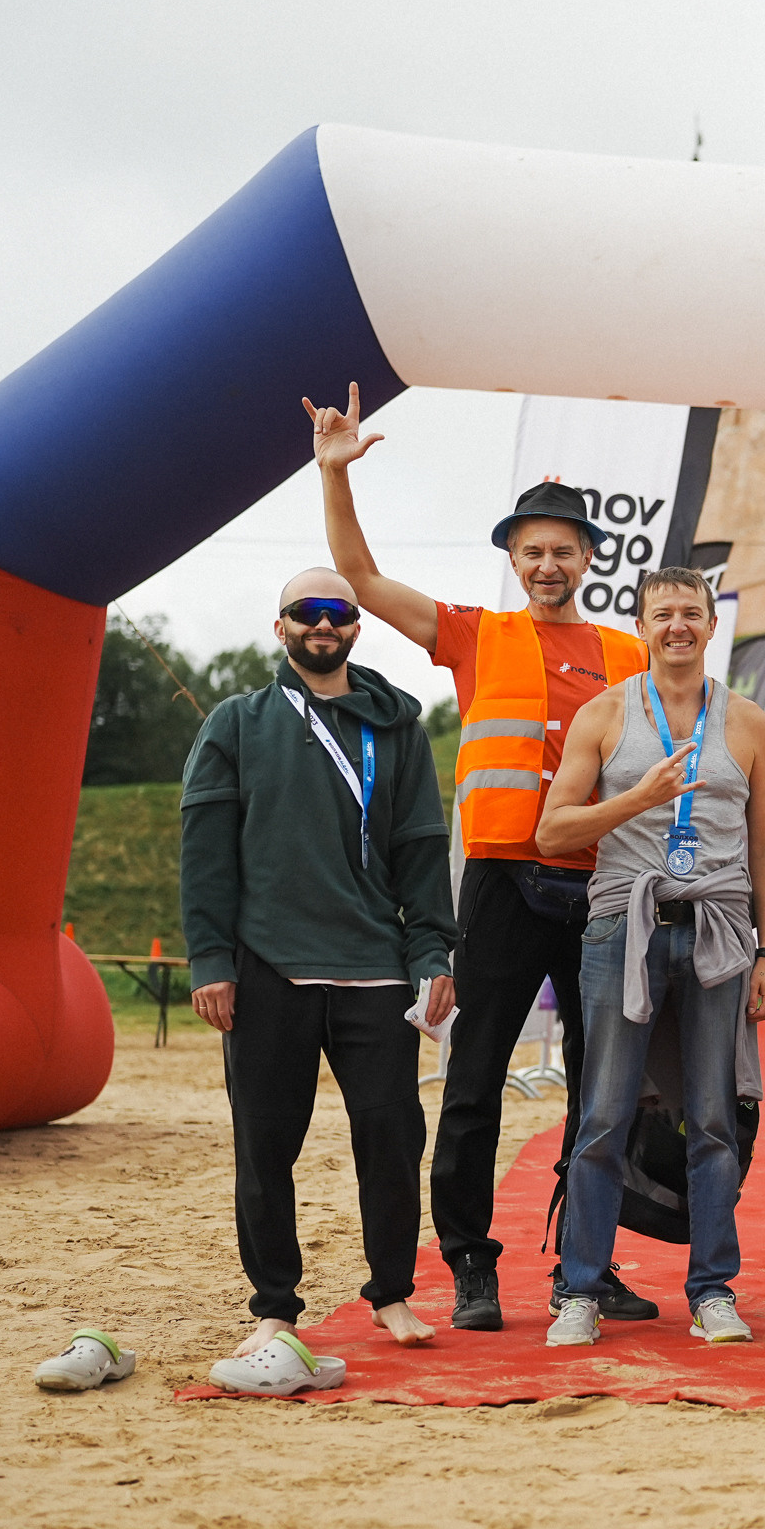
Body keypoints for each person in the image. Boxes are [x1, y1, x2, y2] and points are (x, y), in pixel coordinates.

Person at [309, 384, 656, 1331]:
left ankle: (586, 1264)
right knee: (474, 1085)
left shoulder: (629, 653)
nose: (549, 564)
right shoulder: (475, 633)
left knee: (600, 1088)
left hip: (602, 886)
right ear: (513, 558)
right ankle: (470, 1263)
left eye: (564, 550)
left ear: (590, 556)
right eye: (532, 551)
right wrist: (334, 474)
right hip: (501, 884)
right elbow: (359, 577)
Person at [183, 569, 457, 1392]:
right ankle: (274, 1303)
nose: (323, 624)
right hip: (268, 967)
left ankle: (392, 1294)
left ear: (355, 628)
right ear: (281, 628)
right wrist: (211, 961)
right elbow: (205, 855)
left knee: (391, 1137)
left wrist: (434, 953)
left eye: (338, 612)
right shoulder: (238, 722)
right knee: (266, 1144)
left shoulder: (398, 724)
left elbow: (419, 846)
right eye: (308, 612)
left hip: (374, 968)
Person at [534, 567, 765, 1346]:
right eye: (662, 613)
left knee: (713, 1118)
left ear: (713, 627)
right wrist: (639, 798)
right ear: (640, 626)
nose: (677, 625)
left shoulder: (746, 722)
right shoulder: (604, 715)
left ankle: (713, 1291)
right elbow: (553, 833)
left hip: (718, 929)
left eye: (691, 613)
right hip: (624, 927)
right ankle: (580, 1290)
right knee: (604, 1115)